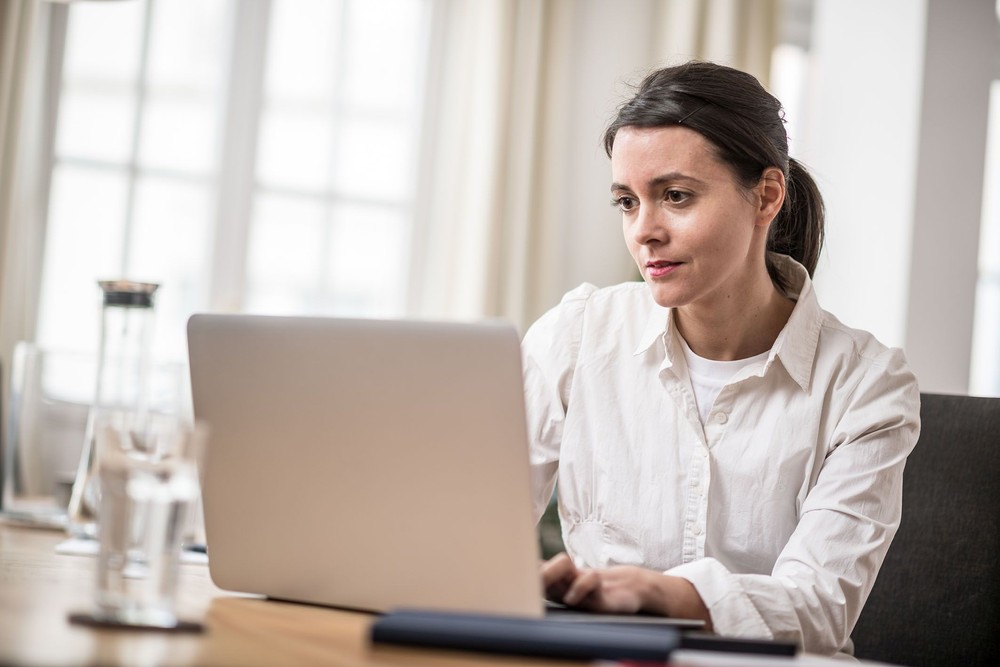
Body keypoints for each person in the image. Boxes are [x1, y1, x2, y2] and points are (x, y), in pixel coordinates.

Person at [521, 60, 920, 657]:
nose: (644, 231)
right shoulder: (576, 335)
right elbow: (475, 531)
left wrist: (666, 596)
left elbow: (818, 607)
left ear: (765, 196)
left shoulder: (867, 385)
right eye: (627, 202)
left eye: (675, 196)